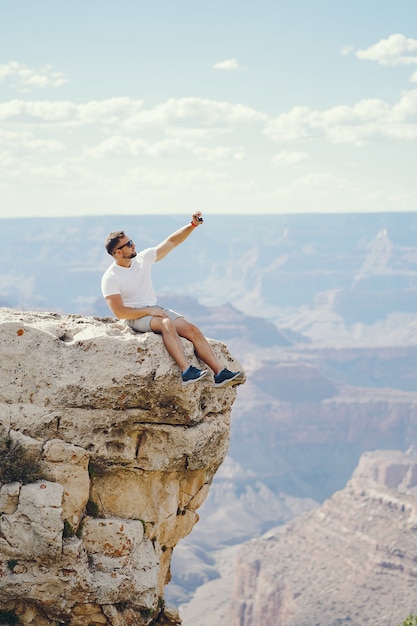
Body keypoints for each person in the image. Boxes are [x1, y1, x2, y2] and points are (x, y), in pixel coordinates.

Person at [101, 212, 243, 388]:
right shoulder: (111, 277)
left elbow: (171, 242)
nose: (134, 245)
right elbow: (119, 312)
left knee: (192, 329)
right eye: (129, 244)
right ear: (118, 252)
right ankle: (186, 372)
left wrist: (192, 225)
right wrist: (150, 311)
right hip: (135, 317)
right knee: (166, 324)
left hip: (154, 309)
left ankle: (220, 374)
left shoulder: (142, 260)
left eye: (131, 241)